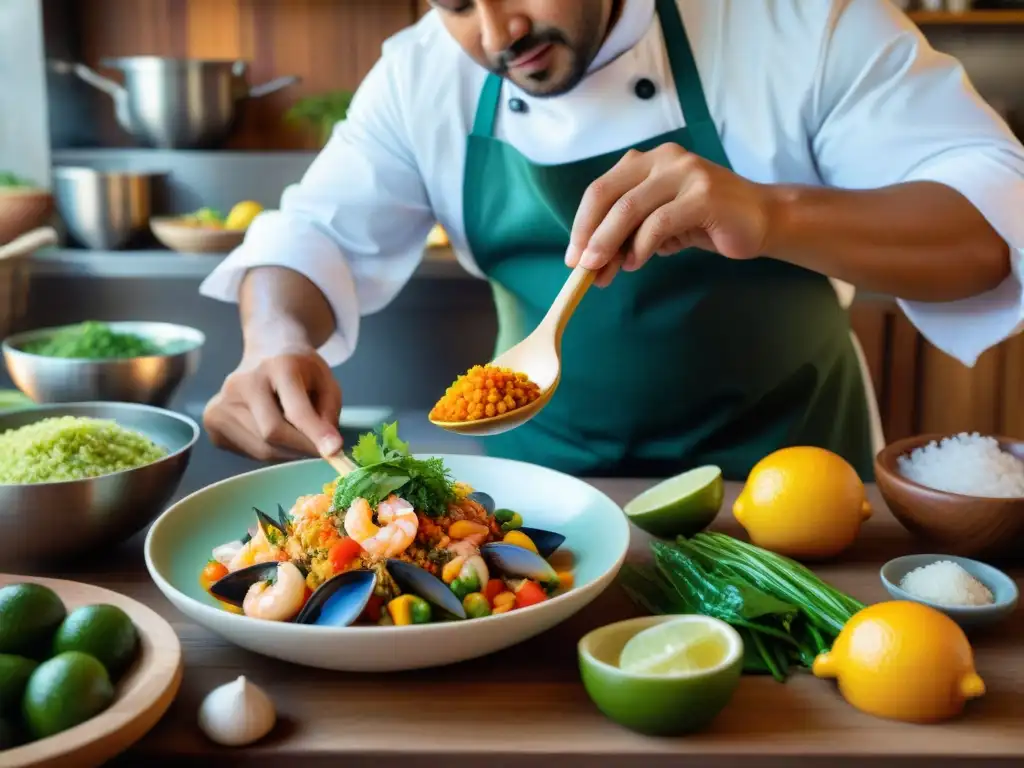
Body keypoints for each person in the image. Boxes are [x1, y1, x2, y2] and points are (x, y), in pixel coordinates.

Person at [199, 0, 1024, 481]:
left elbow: (993, 219)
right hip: (538, 506)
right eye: (453, 3)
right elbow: (312, 230)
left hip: (791, 491)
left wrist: (777, 214)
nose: (498, 31)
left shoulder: (797, 22)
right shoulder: (421, 75)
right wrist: (272, 338)